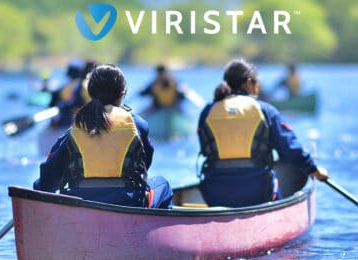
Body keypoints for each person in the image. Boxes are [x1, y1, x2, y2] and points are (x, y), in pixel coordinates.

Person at [34, 64, 173, 209]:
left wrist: (38, 190)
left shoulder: (75, 128)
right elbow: (146, 163)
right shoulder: (138, 125)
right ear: (122, 94)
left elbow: (48, 179)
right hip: (127, 202)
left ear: (91, 93)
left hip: (81, 201)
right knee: (163, 184)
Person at [197, 58, 328, 207]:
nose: (259, 86)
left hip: (215, 194)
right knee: (275, 188)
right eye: (256, 81)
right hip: (258, 194)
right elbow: (290, 150)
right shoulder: (266, 110)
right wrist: (313, 169)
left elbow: (204, 148)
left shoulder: (207, 111)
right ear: (248, 83)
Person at [49, 59, 96, 128]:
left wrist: (61, 107)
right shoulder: (87, 85)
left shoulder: (82, 86)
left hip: (76, 122)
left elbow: (75, 104)